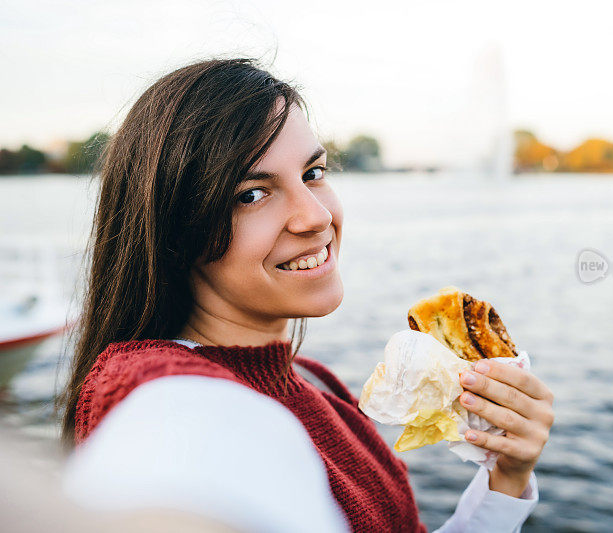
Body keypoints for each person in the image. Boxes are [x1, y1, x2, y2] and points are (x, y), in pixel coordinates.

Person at [55, 58, 555, 532]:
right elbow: (174, 428)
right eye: (251, 193)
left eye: (313, 173)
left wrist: (505, 477)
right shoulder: (152, 387)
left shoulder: (318, 384)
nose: (316, 215)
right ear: (173, 230)